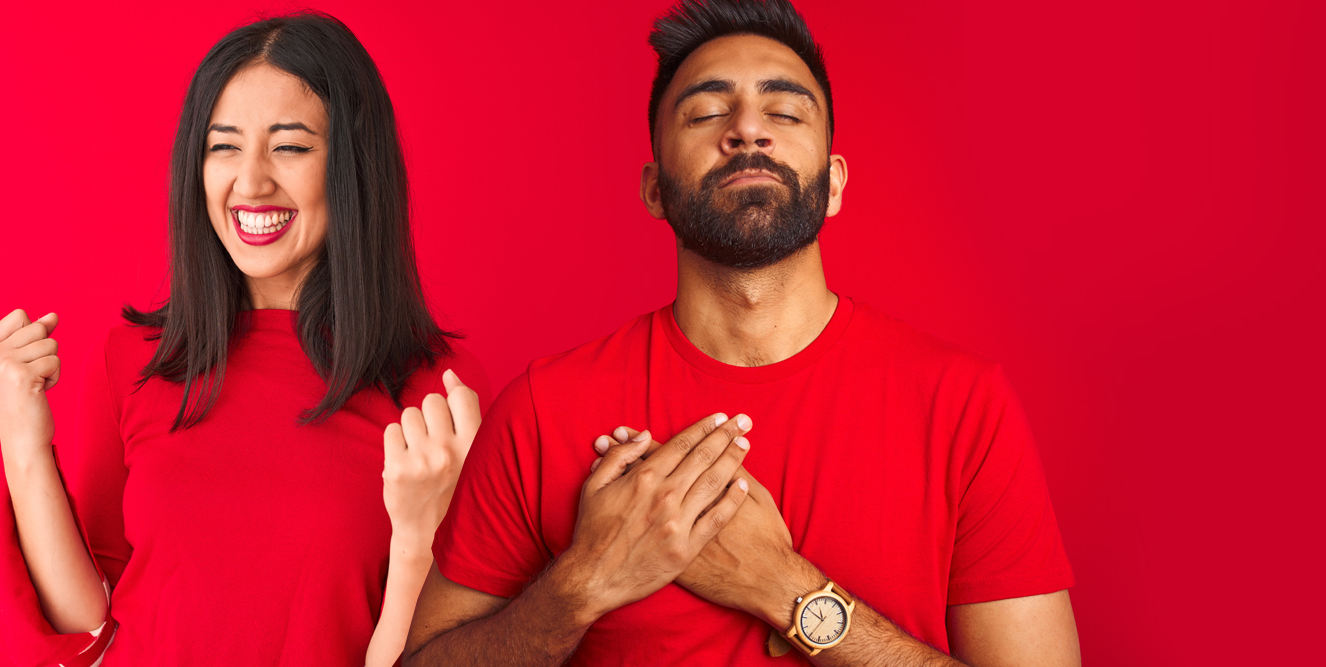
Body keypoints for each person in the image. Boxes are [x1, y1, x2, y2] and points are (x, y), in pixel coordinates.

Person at [404, 0, 1081, 665]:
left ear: (834, 182)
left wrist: (779, 585)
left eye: (784, 111)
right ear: (653, 190)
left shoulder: (961, 405)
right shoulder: (541, 409)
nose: (747, 129)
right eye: (705, 112)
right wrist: (585, 582)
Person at [0, 12, 487, 666]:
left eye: (290, 146)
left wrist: (418, 541)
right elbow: (88, 628)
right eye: (223, 146)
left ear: (352, 165)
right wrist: (22, 437)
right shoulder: (135, 358)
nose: (250, 182)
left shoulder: (436, 395)